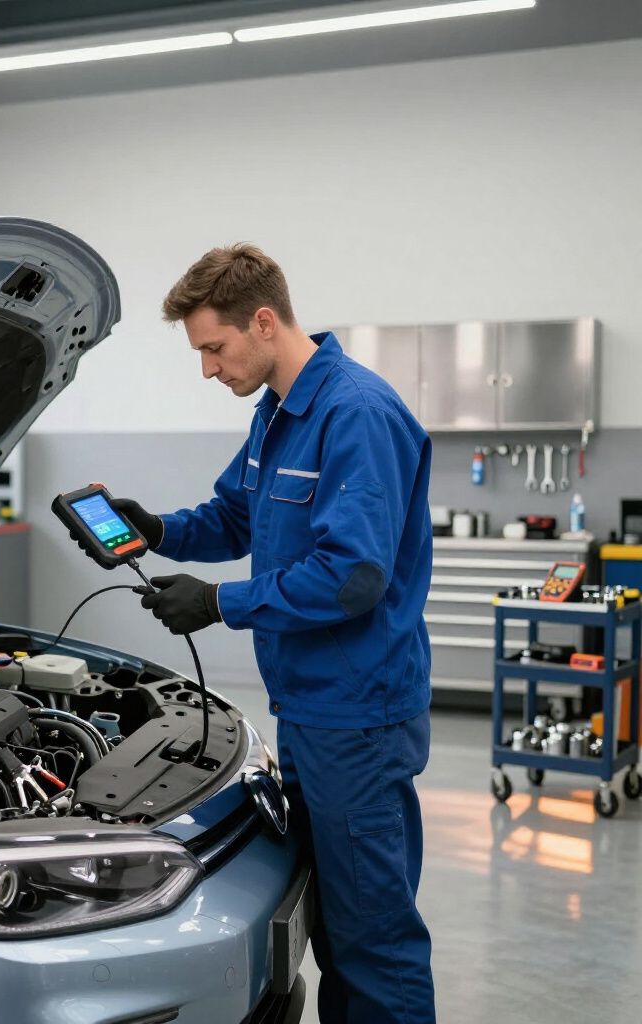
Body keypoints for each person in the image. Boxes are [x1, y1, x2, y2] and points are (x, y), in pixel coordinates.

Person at [112, 244, 436, 1023]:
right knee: (335, 928)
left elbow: (352, 577)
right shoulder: (277, 413)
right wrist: (157, 528)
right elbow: (236, 515)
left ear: (263, 322)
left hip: (358, 716)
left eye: (214, 348)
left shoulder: (356, 414)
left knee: (373, 940)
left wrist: (219, 602)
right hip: (310, 708)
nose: (207, 369)